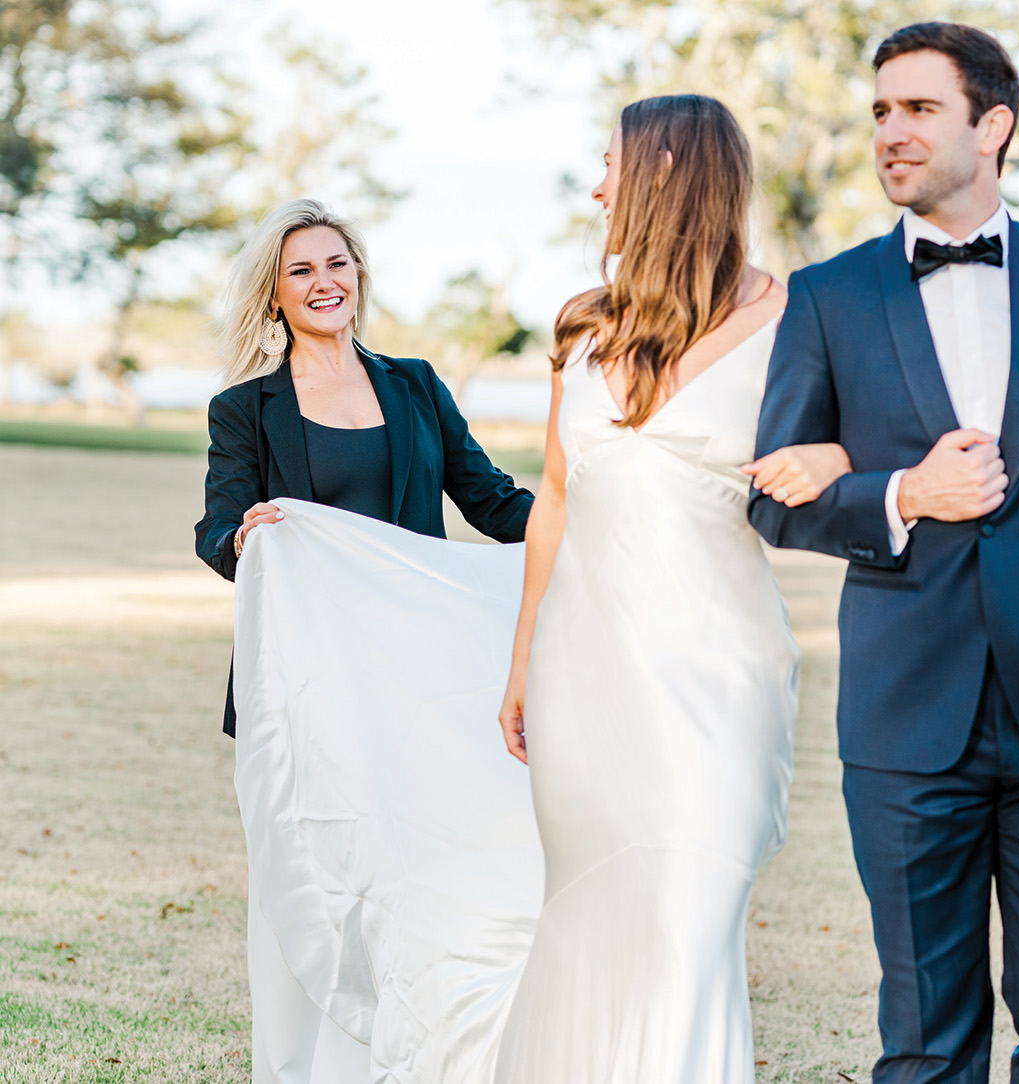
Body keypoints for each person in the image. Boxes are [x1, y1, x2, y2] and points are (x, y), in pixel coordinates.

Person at [747, 22, 1019, 1084]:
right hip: (904, 716)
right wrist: (902, 493)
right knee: (926, 1035)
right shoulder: (828, 296)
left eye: (918, 109)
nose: (890, 132)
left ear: (992, 126)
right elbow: (775, 498)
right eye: (880, 111)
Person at [491, 94, 841, 1082]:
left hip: (715, 675)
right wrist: (521, 657)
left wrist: (832, 452)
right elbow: (556, 496)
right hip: (582, 674)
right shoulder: (580, 324)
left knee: (687, 923)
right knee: (592, 919)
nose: (595, 186)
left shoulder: (797, 317)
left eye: (609, 164)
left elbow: (861, 452)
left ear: (665, 174)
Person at [195, 198, 536, 1084]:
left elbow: (490, 499)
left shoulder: (415, 385)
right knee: (313, 874)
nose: (323, 283)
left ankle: (410, 1055)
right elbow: (216, 529)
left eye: (336, 264)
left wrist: (586, 531)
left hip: (418, 683)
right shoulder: (245, 409)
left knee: (414, 873)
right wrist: (249, 537)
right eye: (301, 270)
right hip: (307, 691)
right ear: (275, 294)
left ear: (359, 278)